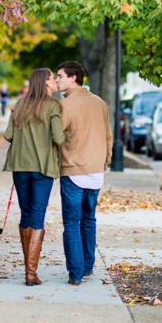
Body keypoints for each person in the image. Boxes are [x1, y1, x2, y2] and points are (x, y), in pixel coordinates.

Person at [2, 68, 65, 286]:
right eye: (52, 78)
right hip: (42, 168)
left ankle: (28, 270)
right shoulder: (53, 106)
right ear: (45, 83)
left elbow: (8, 135)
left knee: (26, 213)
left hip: (20, 167)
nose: (56, 82)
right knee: (38, 214)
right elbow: (58, 137)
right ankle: (31, 273)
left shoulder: (19, 105)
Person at [56, 60, 112, 286]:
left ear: (73, 78)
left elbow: (55, 137)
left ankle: (76, 273)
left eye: (60, 76)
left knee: (71, 222)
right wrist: (105, 162)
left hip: (73, 170)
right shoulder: (100, 103)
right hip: (96, 171)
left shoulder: (65, 107)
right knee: (88, 220)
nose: (57, 80)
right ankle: (87, 267)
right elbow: (108, 136)